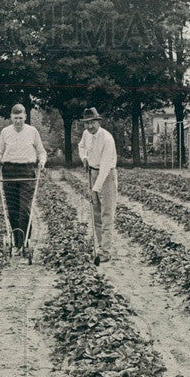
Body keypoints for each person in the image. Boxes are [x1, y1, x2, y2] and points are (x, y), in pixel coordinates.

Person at [0, 104, 47, 253]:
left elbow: (41, 152)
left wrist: (42, 162)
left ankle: (24, 242)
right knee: (12, 210)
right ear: (11, 117)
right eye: (15, 118)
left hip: (27, 171)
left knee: (24, 209)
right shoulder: (5, 132)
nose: (18, 121)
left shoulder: (32, 131)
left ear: (25, 117)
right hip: (9, 171)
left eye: (20, 118)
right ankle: (16, 243)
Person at [77, 107, 117, 263]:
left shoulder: (107, 139)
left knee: (107, 214)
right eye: (86, 123)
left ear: (98, 121)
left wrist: (95, 189)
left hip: (107, 176)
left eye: (92, 122)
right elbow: (81, 146)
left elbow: (106, 166)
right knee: (96, 214)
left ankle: (105, 251)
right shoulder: (86, 134)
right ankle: (100, 246)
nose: (89, 126)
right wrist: (84, 158)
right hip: (93, 172)